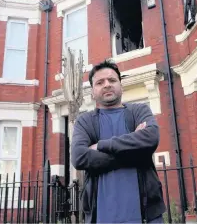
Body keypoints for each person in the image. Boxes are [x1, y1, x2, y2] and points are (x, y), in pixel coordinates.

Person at [71, 60, 166, 224]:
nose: (107, 85)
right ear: (93, 92)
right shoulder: (85, 121)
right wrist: (134, 153)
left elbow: (150, 137)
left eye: (112, 80)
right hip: (101, 217)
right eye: (100, 82)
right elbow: (79, 157)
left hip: (146, 216)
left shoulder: (139, 110)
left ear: (121, 86)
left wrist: (100, 145)